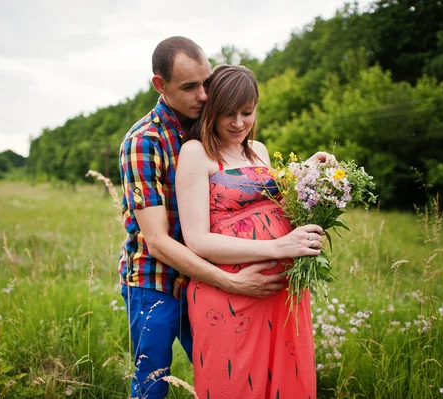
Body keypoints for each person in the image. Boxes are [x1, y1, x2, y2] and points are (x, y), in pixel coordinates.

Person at [119, 37, 327, 399]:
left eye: (206, 83)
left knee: (228, 374)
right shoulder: (145, 142)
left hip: (222, 277)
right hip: (159, 278)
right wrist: (230, 282)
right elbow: (158, 241)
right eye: (190, 87)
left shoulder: (210, 127)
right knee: (152, 383)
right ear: (160, 85)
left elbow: (256, 189)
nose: (202, 95)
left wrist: (310, 176)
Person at [175, 65, 329, 398]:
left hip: (280, 293)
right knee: (235, 382)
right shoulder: (195, 153)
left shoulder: (256, 149)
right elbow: (197, 240)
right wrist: (278, 248)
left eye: (247, 112)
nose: (239, 123)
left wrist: (309, 172)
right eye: (228, 114)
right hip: (230, 295)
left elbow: (272, 203)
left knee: (285, 382)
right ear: (211, 110)